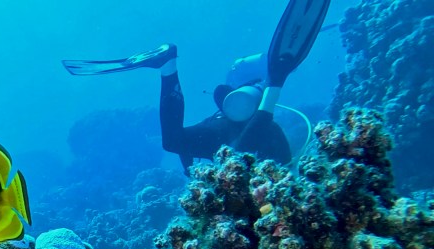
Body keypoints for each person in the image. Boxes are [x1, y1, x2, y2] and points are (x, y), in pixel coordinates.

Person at [63, 0, 330, 173]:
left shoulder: (257, 130)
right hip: (239, 125)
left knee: (173, 141)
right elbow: (246, 146)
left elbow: (207, 138)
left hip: (223, 126)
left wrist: (186, 157)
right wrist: (275, 85)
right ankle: (169, 68)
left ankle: (168, 66)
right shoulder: (276, 150)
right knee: (234, 157)